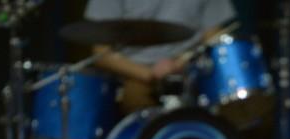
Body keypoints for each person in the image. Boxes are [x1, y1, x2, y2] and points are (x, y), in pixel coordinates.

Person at [84, 0, 236, 113]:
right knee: (135, 98)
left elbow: (213, 36)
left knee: (227, 99)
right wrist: (150, 74)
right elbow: (101, 53)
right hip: (135, 73)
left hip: (188, 68)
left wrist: (185, 62)